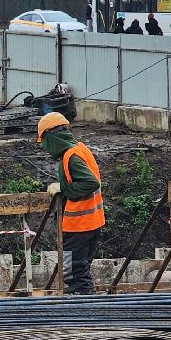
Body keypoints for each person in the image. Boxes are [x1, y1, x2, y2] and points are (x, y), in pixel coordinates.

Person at [37, 112, 105, 294]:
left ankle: (82, 309)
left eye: (44, 140)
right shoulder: (80, 149)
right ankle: (85, 304)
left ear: (51, 136)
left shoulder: (71, 156)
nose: (44, 146)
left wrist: (62, 188)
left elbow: (91, 183)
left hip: (78, 226)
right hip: (92, 223)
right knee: (80, 271)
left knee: (74, 273)